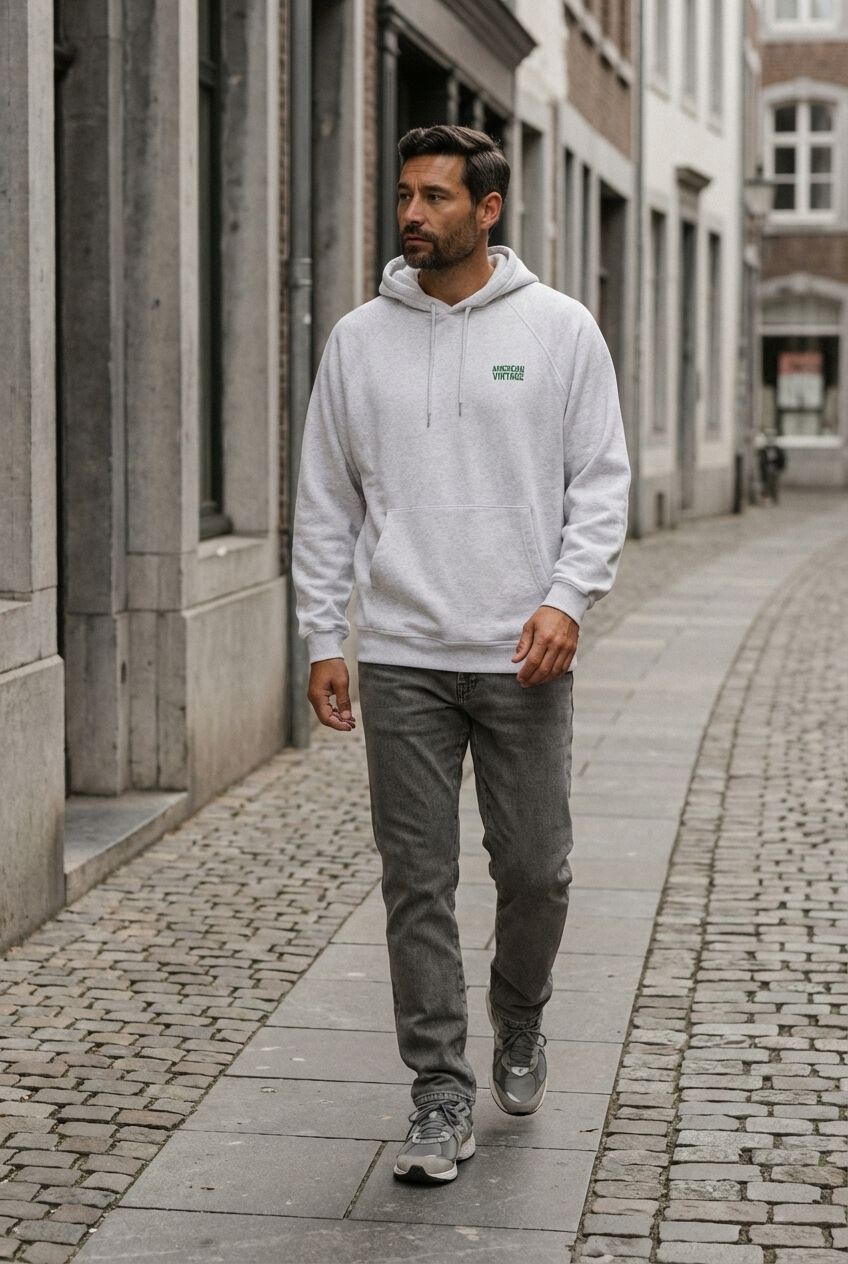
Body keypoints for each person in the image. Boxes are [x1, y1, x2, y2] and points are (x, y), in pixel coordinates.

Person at [292, 125, 630, 1186]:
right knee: (416, 881)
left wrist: (566, 600)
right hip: (400, 654)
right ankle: (438, 1089)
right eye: (404, 194)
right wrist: (323, 635)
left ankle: (519, 1015)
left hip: (522, 653)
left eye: (434, 197)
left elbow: (600, 481)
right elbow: (325, 497)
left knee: (535, 869)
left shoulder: (559, 328)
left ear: (487, 210)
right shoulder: (358, 340)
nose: (411, 214)